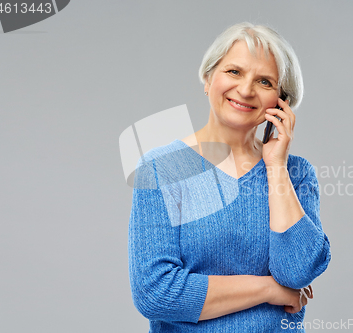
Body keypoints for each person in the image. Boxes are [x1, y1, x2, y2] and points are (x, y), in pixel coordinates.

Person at [128, 22, 331, 332]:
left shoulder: (296, 174)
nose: (246, 89)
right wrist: (270, 290)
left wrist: (275, 166)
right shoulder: (161, 169)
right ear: (208, 78)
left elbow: (297, 271)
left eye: (264, 81)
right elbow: (156, 294)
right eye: (234, 72)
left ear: (281, 101)